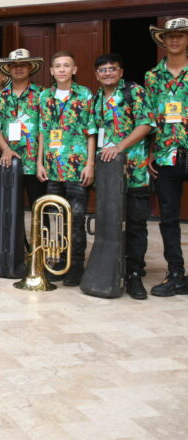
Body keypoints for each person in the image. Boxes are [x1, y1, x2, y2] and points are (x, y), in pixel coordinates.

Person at [92, 53, 153, 300]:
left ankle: (135, 272)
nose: (107, 73)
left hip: (134, 170)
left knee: (136, 224)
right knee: (110, 222)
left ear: (120, 72)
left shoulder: (134, 92)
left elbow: (146, 124)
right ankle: (112, 266)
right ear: (97, 74)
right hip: (107, 174)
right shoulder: (96, 99)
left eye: (112, 69)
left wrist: (120, 146)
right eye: (103, 70)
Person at [37, 51, 96, 287]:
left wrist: (90, 164)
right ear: (51, 71)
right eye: (57, 66)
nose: (62, 69)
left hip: (78, 167)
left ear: (74, 70)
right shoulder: (44, 96)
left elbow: (91, 131)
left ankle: (75, 267)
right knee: (54, 219)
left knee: (77, 219)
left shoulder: (85, 95)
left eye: (66, 66)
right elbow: (42, 131)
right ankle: (58, 263)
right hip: (52, 167)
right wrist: (40, 162)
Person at [145, 18, 188, 297]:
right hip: (164, 154)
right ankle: (176, 274)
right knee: (169, 218)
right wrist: (149, 151)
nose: (174, 40)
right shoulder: (152, 77)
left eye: (181, 35)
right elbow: (148, 117)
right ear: (163, 40)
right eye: (170, 36)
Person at [0, 48, 46, 209]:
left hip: (36, 161)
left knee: (40, 206)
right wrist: (5, 149)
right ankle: (18, 237)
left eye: (23, 65)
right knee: (11, 208)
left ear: (30, 67)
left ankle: (40, 235)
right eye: (14, 65)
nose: (18, 68)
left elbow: (45, 129)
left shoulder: (41, 94)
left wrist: (41, 160)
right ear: (8, 69)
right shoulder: (1, 96)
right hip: (9, 160)